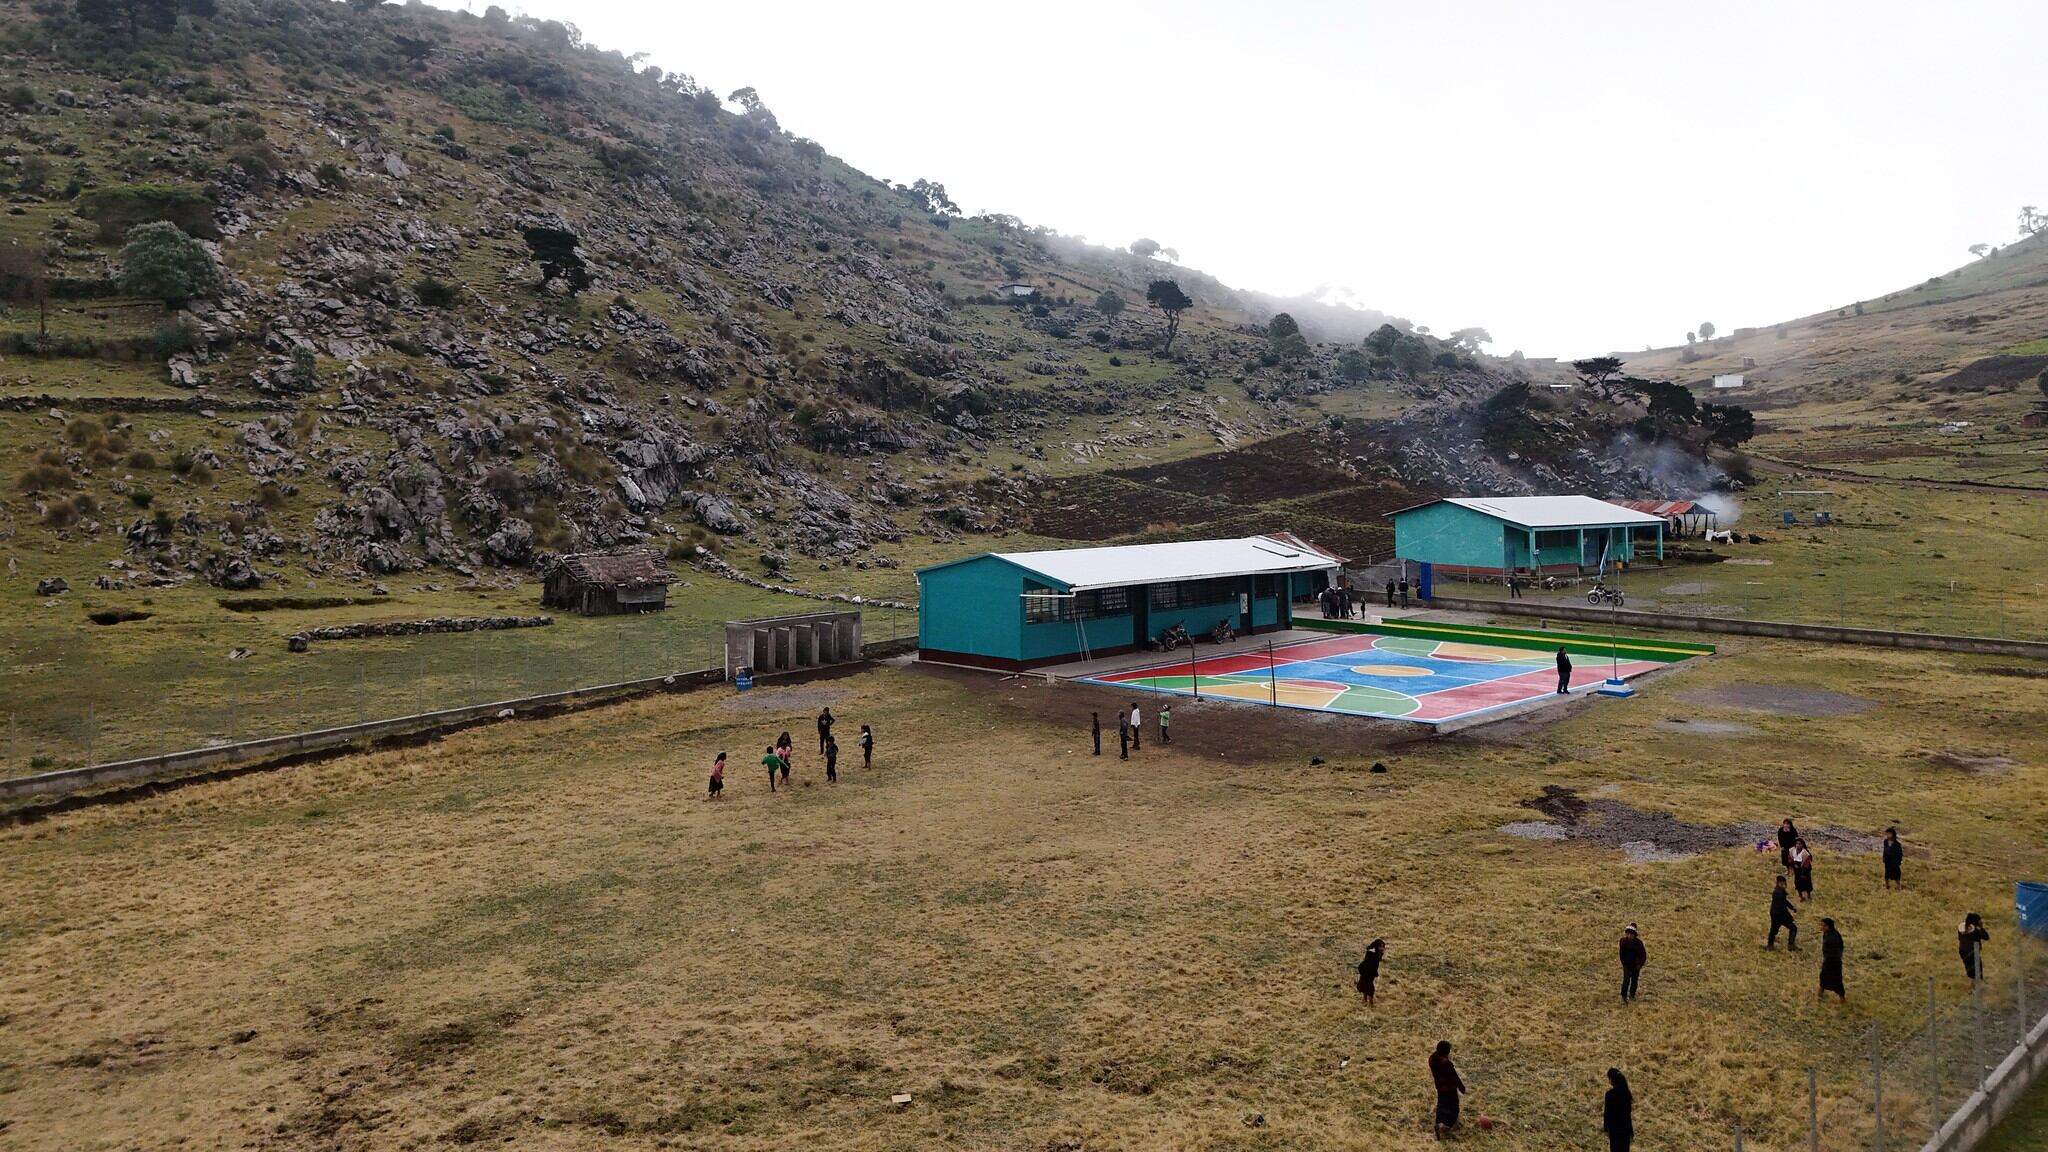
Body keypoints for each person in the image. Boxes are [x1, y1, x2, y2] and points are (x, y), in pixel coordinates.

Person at [1429, 1040, 1465, 1140]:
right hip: (1450, 1088)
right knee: (1453, 1108)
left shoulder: (1432, 1059)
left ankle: (1439, 1123)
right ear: (1446, 1052)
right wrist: (1462, 1088)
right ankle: (1447, 1126)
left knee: (1442, 1105)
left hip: (1440, 1087)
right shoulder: (1446, 1063)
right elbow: (1454, 1077)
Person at [1603, 1068, 1634, 1152]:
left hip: (1615, 1130)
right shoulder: (1626, 1093)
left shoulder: (1610, 1094)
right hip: (1625, 1130)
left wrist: (1606, 1128)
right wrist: (1631, 1131)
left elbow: (1607, 1113)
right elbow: (1628, 1114)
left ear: (1612, 1079)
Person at [1959, 912, 1991, 985]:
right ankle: (1978, 985)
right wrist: (1981, 928)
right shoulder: (1976, 930)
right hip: (1972, 951)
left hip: (1962, 951)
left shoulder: (1961, 928)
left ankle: (1972, 983)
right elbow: (1986, 937)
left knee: (1969, 967)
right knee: (1977, 967)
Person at [1768, 875, 1798, 950]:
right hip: (1780, 915)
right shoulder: (1778, 893)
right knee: (1793, 928)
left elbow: (1785, 901)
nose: (1784, 886)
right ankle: (1791, 945)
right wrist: (1789, 917)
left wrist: (1792, 907)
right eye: (1782, 884)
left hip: (1775, 914)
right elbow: (1782, 906)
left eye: (1784, 884)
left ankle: (1770, 945)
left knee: (1773, 930)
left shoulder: (1778, 891)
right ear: (1778, 883)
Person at [1819, 917, 1846, 1001]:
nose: (1821, 927)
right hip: (1831, 959)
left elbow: (1834, 950)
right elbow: (1841, 945)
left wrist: (1826, 961)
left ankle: (1842, 998)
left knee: (1836, 979)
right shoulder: (1828, 933)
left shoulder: (1832, 938)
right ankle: (1821, 991)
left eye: (1823, 925)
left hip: (1832, 961)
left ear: (1828, 926)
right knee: (1823, 976)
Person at [1618, 924, 1646, 1003]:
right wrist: (1624, 963)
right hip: (1627, 965)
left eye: (1631, 934)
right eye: (1627, 934)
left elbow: (1643, 955)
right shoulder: (1623, 942)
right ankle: (1623, 996)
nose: (1629, 935)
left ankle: (1632, 995)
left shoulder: (1639, 944)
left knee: (1634, 981)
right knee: (1626, 981)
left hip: (1636, 966)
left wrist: (1639, 964)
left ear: (1634, 935)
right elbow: (1621, 954)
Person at [1358, 938, 1385, 1006]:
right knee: (1369, 987)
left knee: (1366, 985)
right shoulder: (1372, 953)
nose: (1382, 948)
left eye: (1383, 946)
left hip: (1370, 972)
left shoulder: (1377, 953)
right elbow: (1369, 962)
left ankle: (1365, 1000)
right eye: (1380, 946)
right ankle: (1370, 1002)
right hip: (1366, 971)